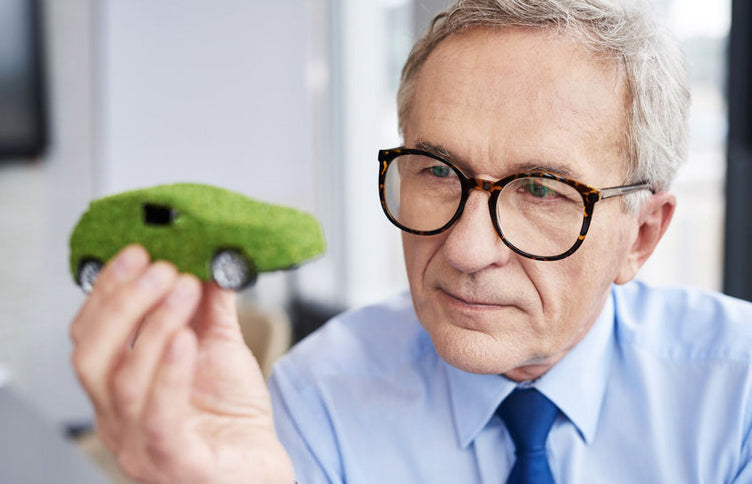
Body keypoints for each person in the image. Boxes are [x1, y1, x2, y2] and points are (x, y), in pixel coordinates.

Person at [69, 0, 752, 483]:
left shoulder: (737, 392)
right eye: (436, 170)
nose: (465, 249)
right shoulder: (317, 397)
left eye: (541, 190)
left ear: (642, 236)